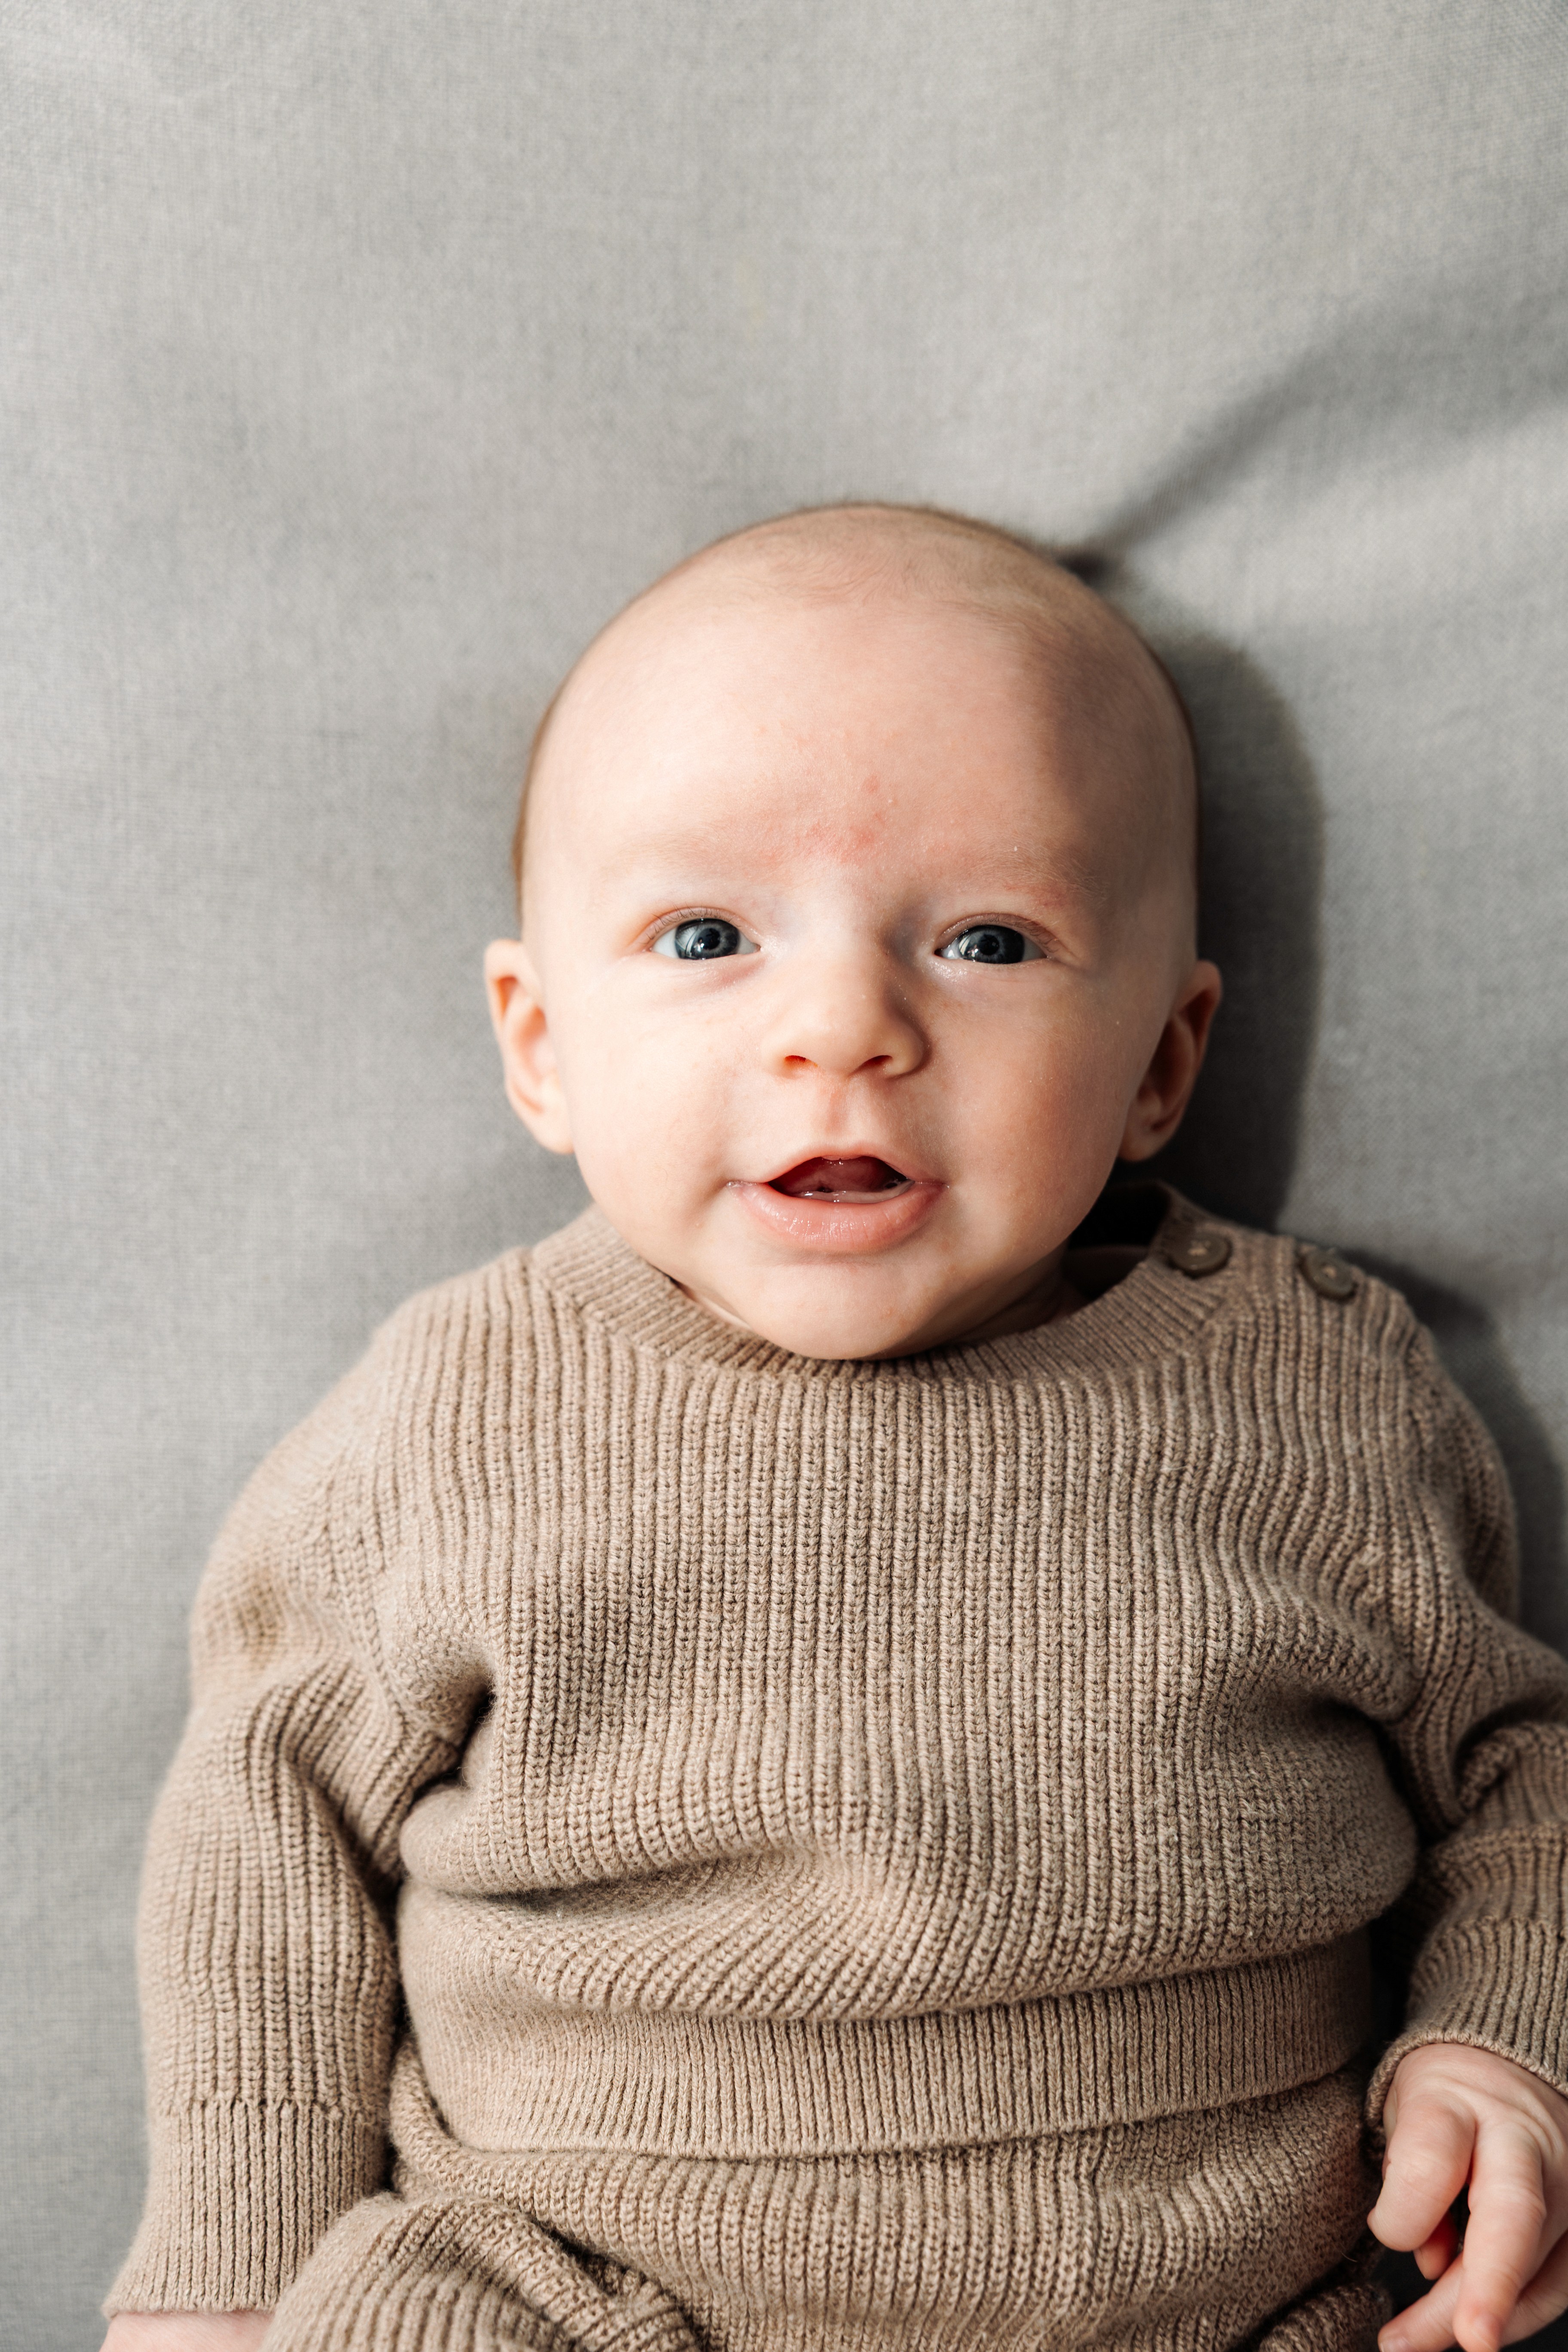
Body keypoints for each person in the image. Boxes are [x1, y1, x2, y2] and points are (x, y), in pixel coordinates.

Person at [102, 505, 1568, 2352]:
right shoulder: (461, 1414)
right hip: (572, 2283)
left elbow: (1527, 1780)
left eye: (988, 940)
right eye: (708, 932)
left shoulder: (1315, 1395)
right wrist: (230, 2278)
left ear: (1163, 1065)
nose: (844, 1027)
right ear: (541, 1040)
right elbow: (268, 1816)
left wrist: (1509, 2049)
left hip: (1231, 2288)